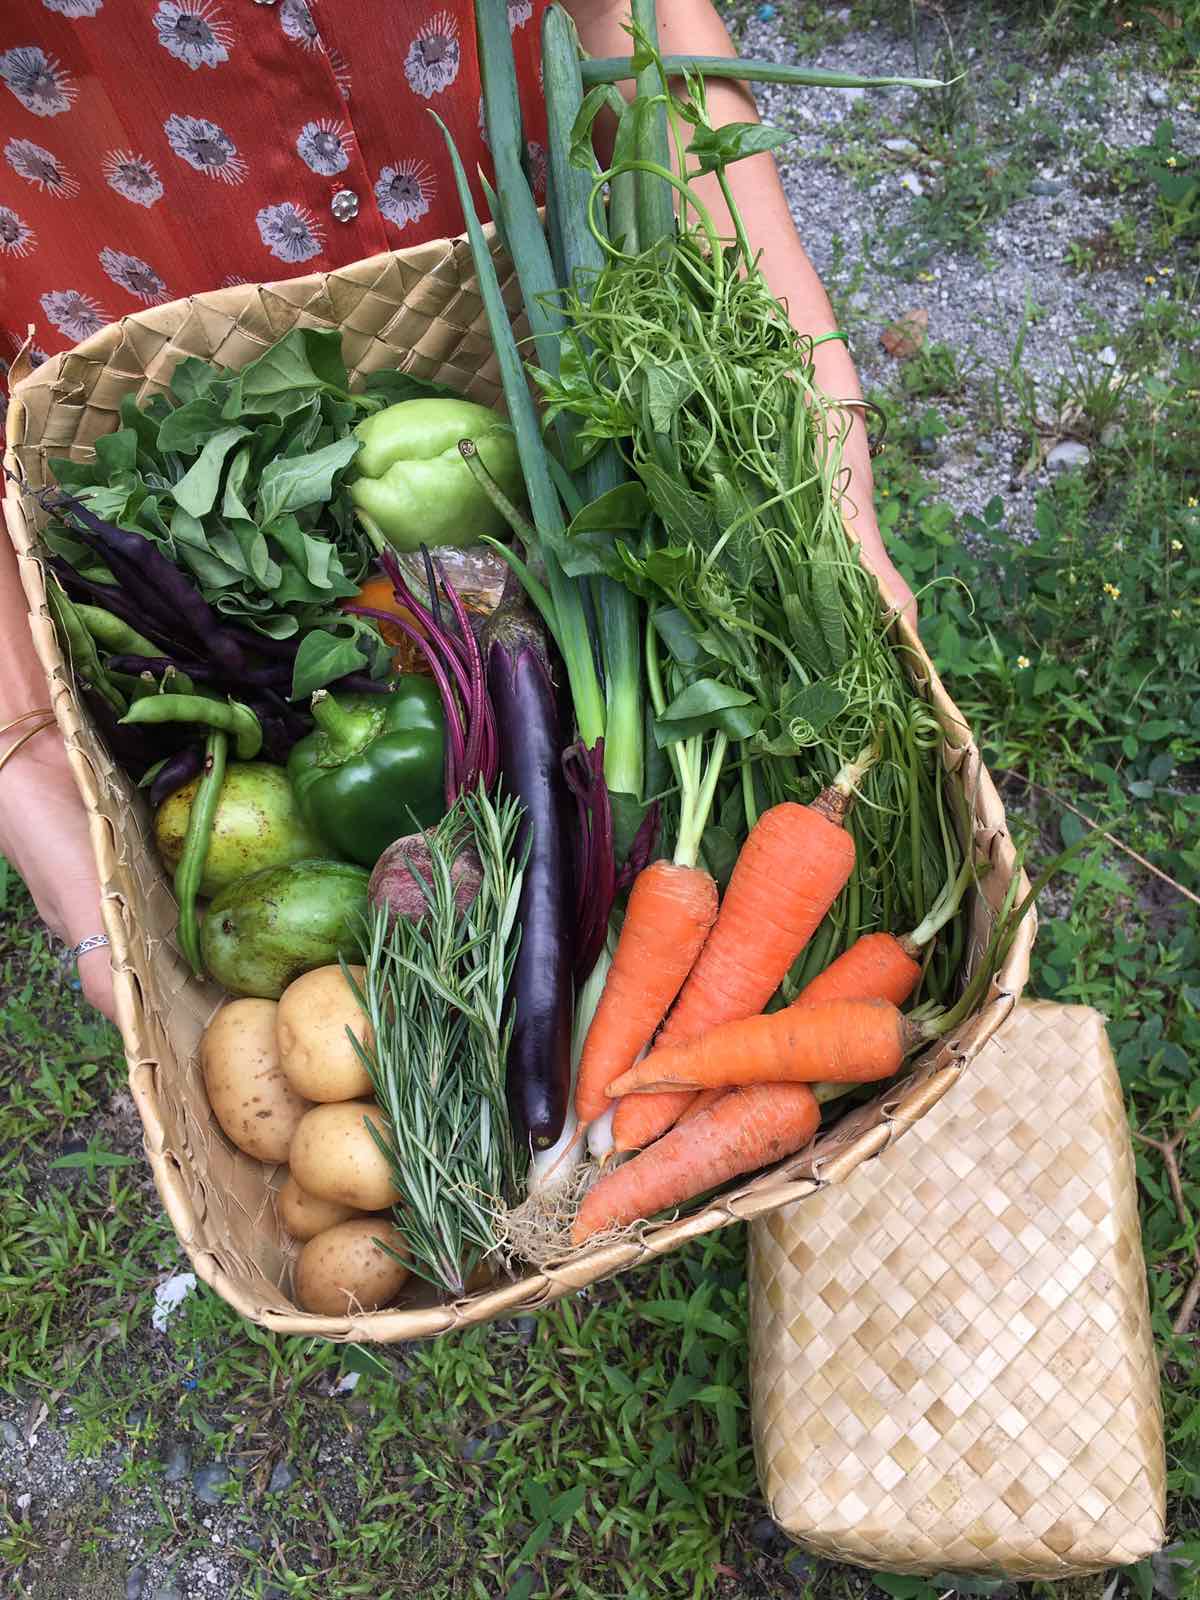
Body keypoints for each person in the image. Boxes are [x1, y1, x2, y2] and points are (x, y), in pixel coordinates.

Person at [0, 0, 911, 1022]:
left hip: (539, 304)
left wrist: (827, 450)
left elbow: (630, 18)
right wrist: (29, 770)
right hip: (129, 309)